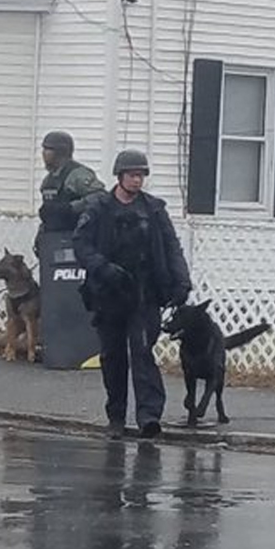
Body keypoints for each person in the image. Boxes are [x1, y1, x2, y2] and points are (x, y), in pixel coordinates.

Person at [73, 149, 191, 439]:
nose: (137, 180)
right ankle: (116, 416)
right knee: (113, 356)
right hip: (109, 293)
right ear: (120, 176)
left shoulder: (154, 210)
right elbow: (82, 244)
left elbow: (171, 246)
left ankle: (149, 417)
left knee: (142, 352)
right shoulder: (99, 208)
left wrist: (181, 282)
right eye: (132, 175)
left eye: (141, 175)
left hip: (144, 293)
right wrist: (103, 268)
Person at [37, 131, 104, 238]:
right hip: (53, 238)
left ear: (61, 152)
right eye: (44, 149)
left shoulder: (77, 174)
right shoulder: (48, 180)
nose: (44, 153)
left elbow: (100, 196)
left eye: (48, 149)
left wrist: (72, 208)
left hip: (76, 236)